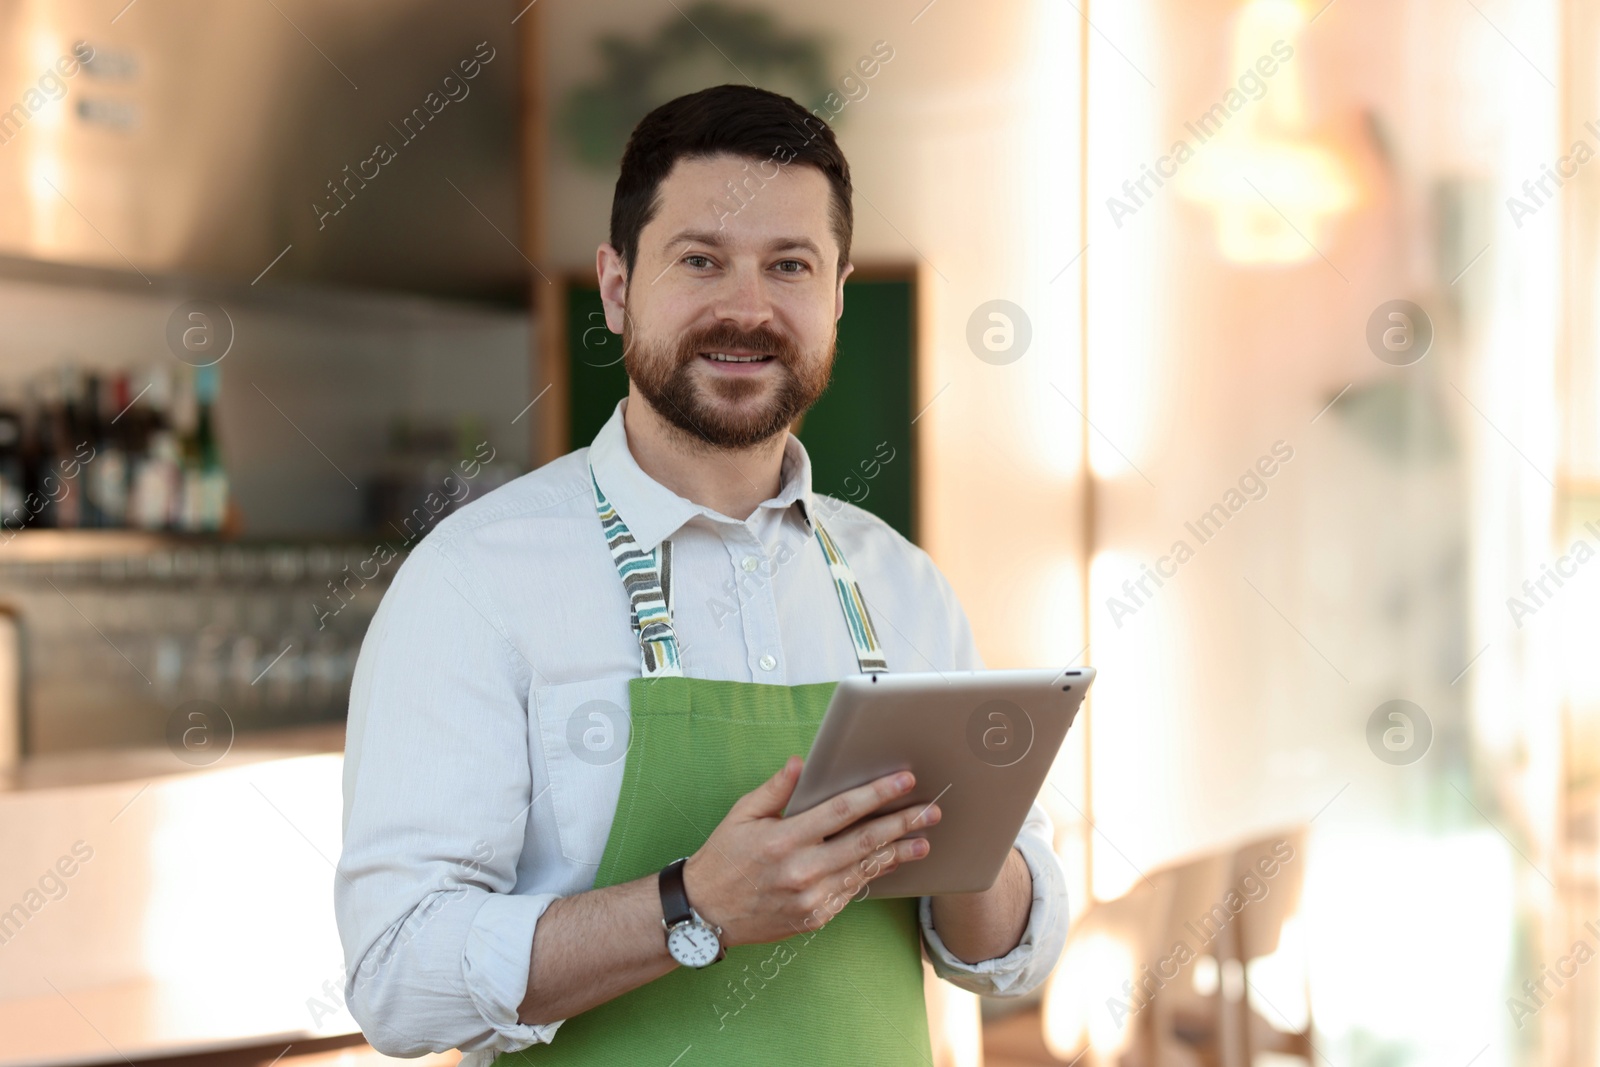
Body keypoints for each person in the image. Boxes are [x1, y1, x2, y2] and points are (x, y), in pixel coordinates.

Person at [334, 83, 1068, 1065]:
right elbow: (395, 978)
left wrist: (961, 844)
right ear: (616, 285)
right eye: (700, 260)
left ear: (838, 294)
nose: (747, 307)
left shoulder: (903, 586)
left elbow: (1005, 958)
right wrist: (693, 903)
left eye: (789, 265)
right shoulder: (473, 581)